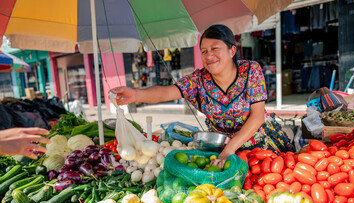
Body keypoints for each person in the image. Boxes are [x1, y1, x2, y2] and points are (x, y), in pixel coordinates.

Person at [111, 24, 293, 168]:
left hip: (261, 147)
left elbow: (257, 116)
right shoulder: (198, 80)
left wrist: (229, 150)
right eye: (204, 51)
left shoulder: (250, 71)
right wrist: (135, 94)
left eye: (215, 48)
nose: (209, 55)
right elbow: (166, 92)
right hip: (220, 148)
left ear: (232, 50)